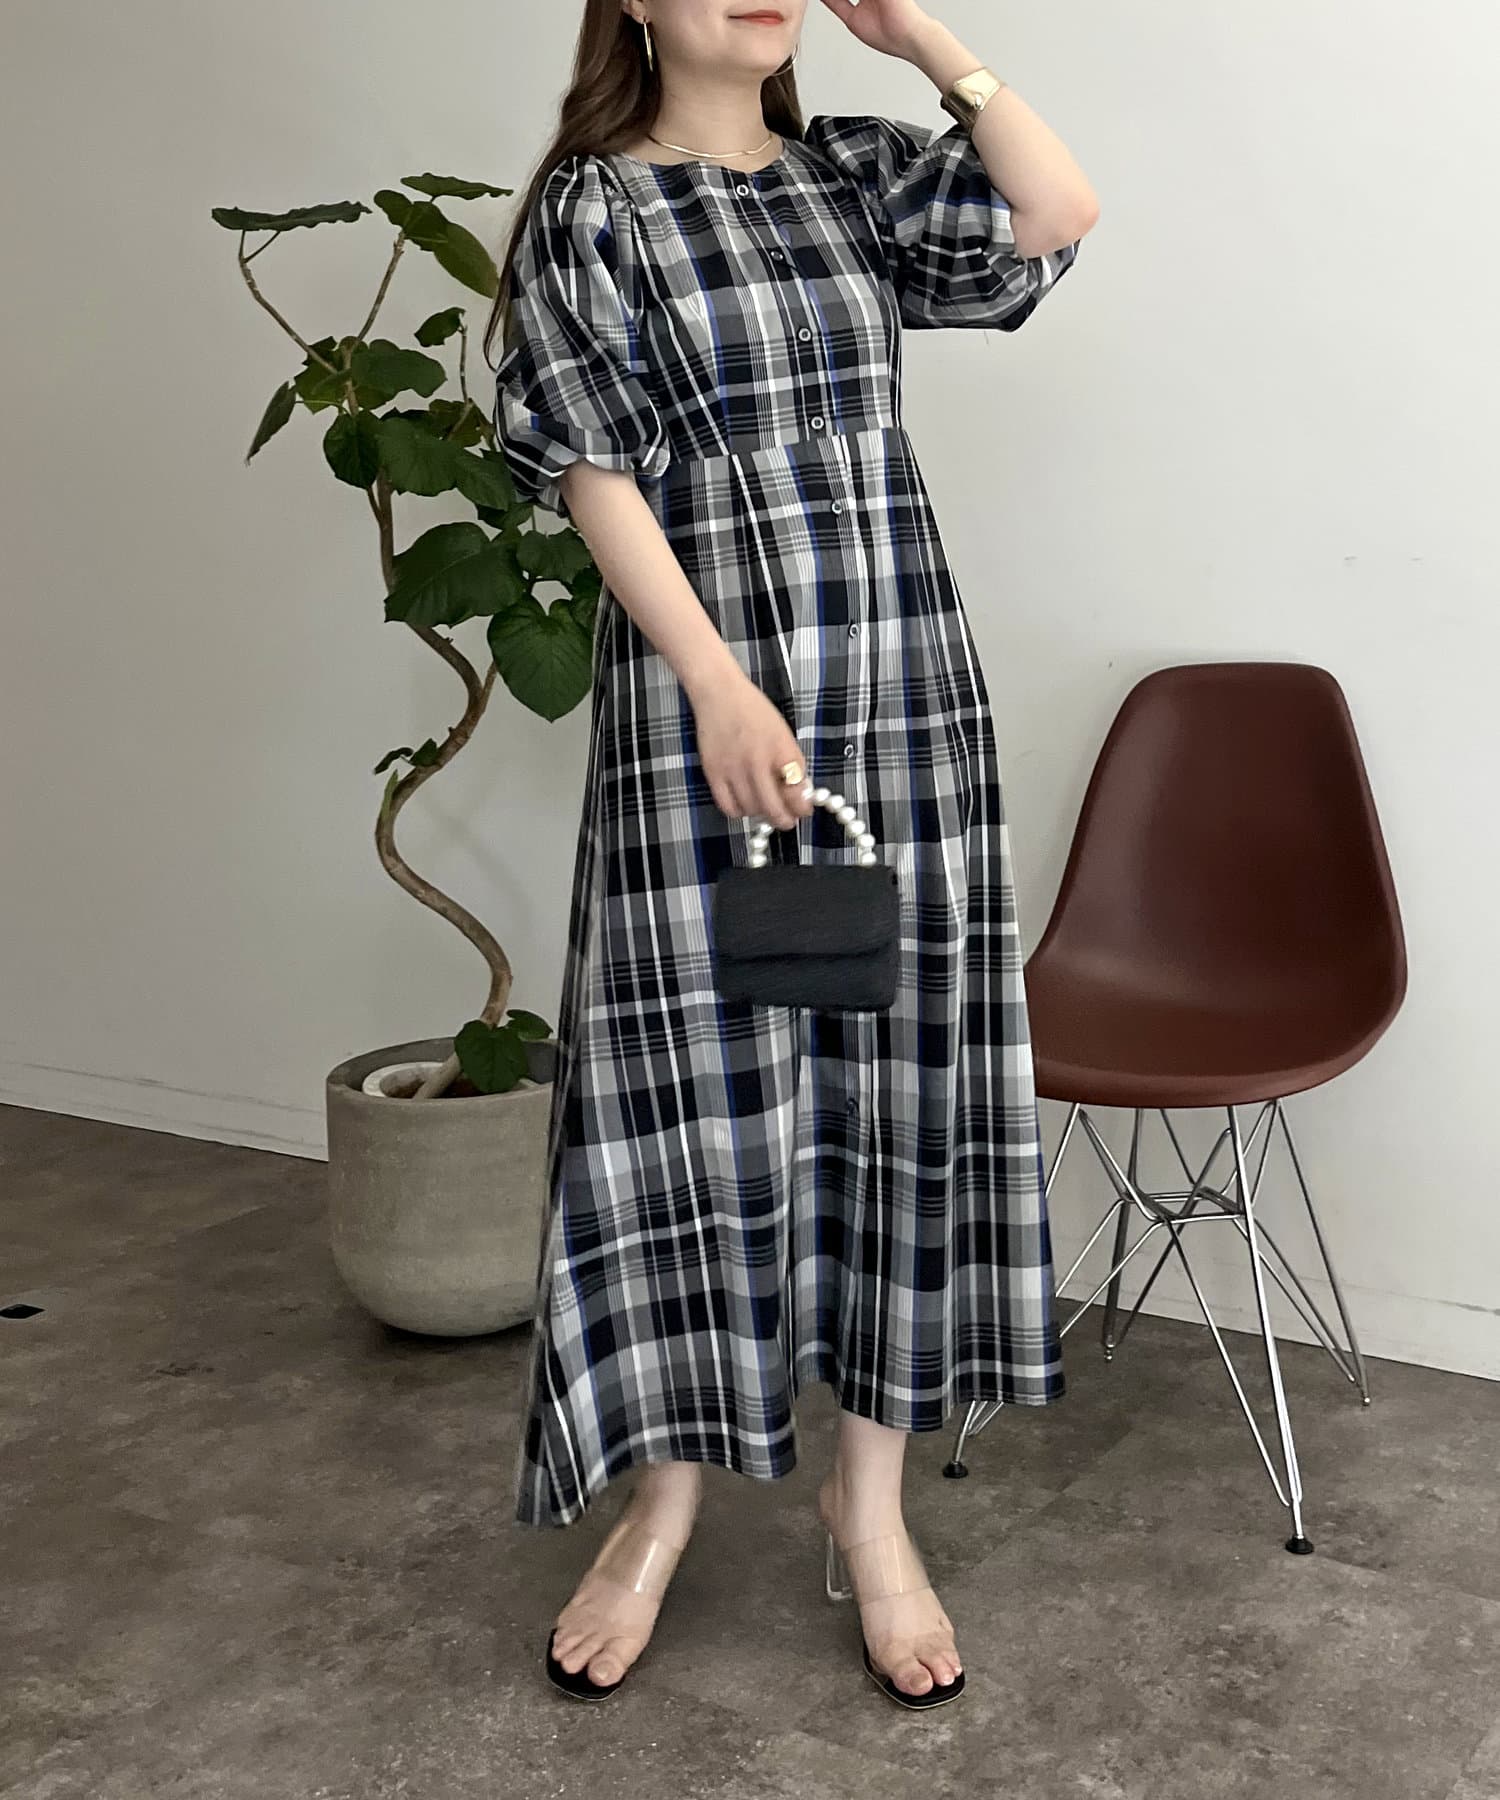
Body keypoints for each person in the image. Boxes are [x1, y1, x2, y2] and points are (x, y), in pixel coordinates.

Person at [488, 0, 1098, 1710]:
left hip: (900, 696)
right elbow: (590, 461)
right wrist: (712, 680)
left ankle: (871, 1506)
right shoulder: (594, 203)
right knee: (695, 1098)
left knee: (899, 1089)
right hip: (707, 712)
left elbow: (1054, 211)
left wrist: (921, 37)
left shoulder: (853, 174)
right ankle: (663, 1503)